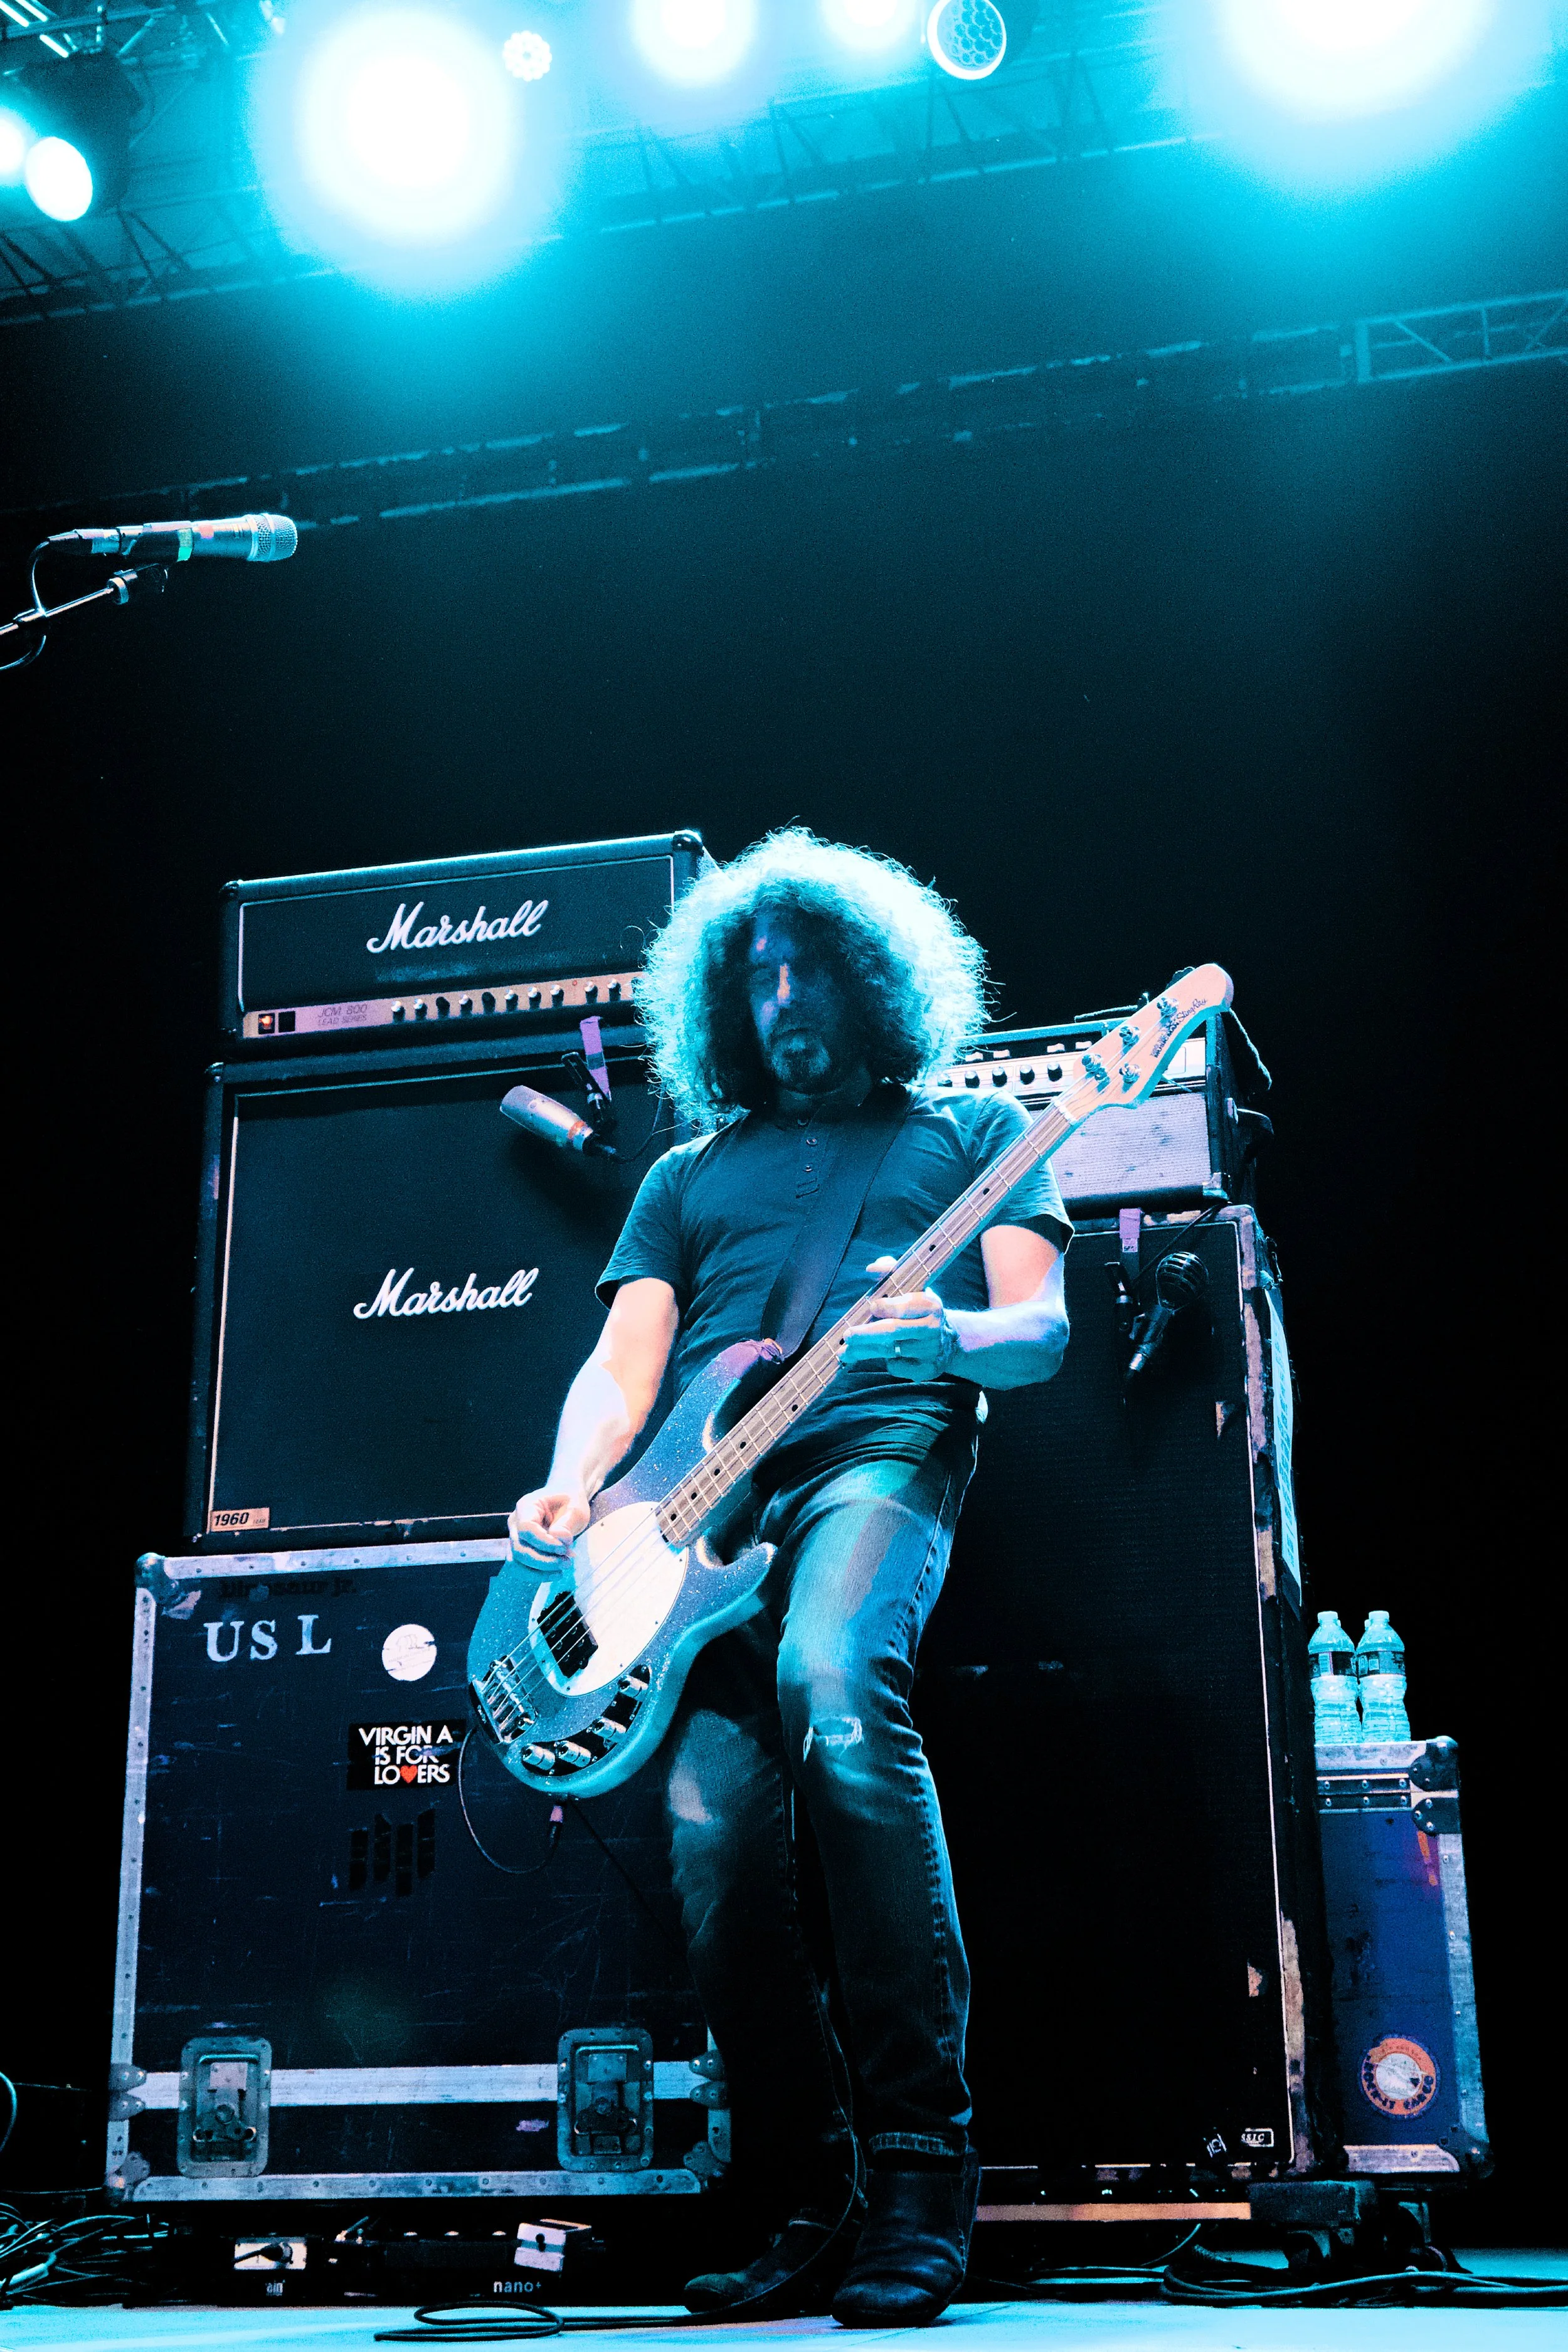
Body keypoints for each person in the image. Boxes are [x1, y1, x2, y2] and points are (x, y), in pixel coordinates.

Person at [507, 831, 1071, 2326]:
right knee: (707, 1829)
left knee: (835, 1680)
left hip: (875, 1453)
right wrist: (573, 1485)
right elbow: (622, 1365)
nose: (779, 997)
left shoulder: (964, 1134)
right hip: (687, 1524)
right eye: (753, 976)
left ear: (869, 980)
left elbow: (1039, 1331)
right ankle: (806, 2188)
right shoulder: (690, 1174)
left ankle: (919, 2173)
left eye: (806, 966)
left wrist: (938, 1339)